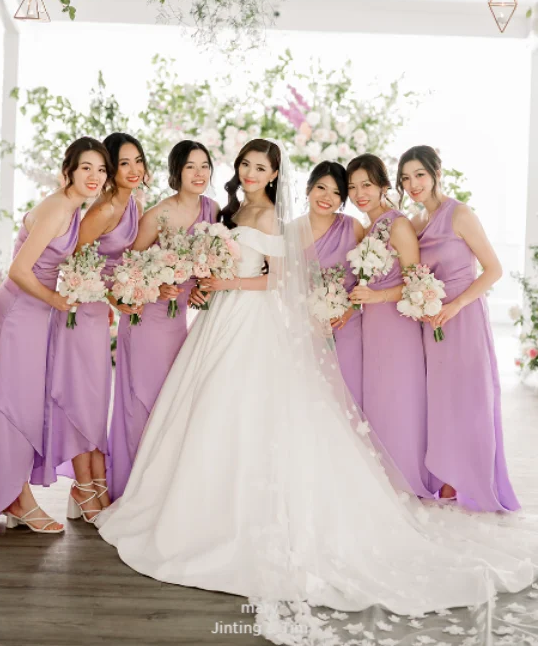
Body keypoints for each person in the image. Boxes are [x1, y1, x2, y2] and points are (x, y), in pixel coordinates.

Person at [96, 138, 537, 645]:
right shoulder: (227, 210)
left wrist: (224, 286)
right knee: (205, 411)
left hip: (251, 318)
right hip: (219, 322)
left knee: (254, 409)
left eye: (261, 166)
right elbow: (220, 266)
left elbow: (273, 280)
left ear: (276, 173)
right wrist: (203, 281)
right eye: (245, 164)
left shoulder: (282, 222)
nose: (251, 171)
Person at [0, 137, 110, 534]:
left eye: (101, 169)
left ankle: (11, 494)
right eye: (86, 168)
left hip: (34, 313)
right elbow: (19, 270)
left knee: (20, 403)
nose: (94, 176)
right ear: (68, 171)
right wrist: (56, 299)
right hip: (17, 311)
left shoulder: (75, 208)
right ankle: (16, 499)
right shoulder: (59, 207)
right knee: (13, 405)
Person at [398, 144, 520, 511]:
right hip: (431, 320)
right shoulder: (416, 223)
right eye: (405, 178)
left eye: (419, 174)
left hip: (463, 316)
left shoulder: (460, 214)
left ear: (437, 172)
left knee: (469, 398)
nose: (413, 184)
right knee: (440, 400)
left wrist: (457, 304)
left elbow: (494, 269)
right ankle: (445, 477)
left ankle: (468, 480)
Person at [37, 133, 145, 524]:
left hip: (99, 313)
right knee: (83, 401)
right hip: (80, 312)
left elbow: (118, 262)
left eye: (138, 161)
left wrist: (130, 288)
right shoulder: (102, 211)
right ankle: (84, 487)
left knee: (96, 402)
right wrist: (114, 297)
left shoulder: (130, 202)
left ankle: (93, 482)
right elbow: (74, 262)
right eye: (123, 163)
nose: (133, 170)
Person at [107, 139, 218, 501]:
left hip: (179, 323)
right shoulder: (159, 214)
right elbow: (127, 271)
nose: (199, 173)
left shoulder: (212, 211)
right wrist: (158, 285)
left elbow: (209, 270)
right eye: (190, 166)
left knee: (172, 402)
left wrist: (201, 289)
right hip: (146, 319)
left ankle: (163, 490)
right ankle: (133, 490)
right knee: (144, 401)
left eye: (204, 166)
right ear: (176, 172)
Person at [346, 153, 432, 497]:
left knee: (399, 398)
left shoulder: (398, 224)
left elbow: (416, 283)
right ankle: (381, 478)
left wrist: (377, 297)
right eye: (352, 187)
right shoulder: (365, 229)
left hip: (398, 326)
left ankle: (405, 480)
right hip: (371, 328)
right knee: (378, 400)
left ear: (384, 185)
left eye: (366, 184)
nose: (359, 193)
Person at [305, 161, 364, 406]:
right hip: (308, 329)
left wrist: (350, 309)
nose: (327, 197)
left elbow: (369, 279)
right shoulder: (290, 231)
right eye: (321, 187)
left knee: (349, 395)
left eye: (337, 192)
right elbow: (283, 285)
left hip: (349, 325)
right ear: (308, 188)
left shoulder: (353, 226)